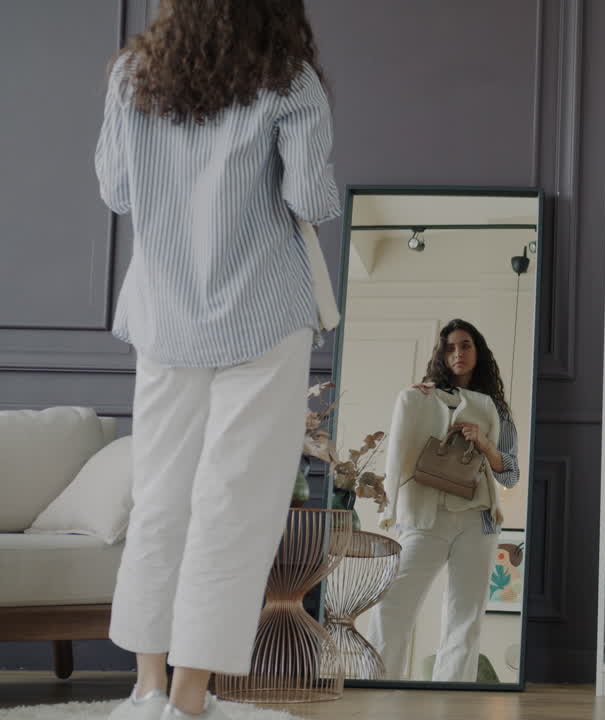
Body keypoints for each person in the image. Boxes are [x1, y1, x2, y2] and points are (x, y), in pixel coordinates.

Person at [94, 1, 339, 718]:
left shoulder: (132, 74)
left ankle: (145, 689)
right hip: (262, 317)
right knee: (233, 507)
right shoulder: (288, 79)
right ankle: (191, 695)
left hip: (165, 316)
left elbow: (114, 190)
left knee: (160, 499)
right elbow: (310, 196)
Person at [368, 319, 521, 682]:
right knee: (394, 605)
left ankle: (451, 700)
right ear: (441, 354)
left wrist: (484, 442)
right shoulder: (421, 397)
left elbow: (510, 475)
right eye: (450, 347)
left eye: (465, 345)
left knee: (465, 617)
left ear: (478, 352)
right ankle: (377, 686)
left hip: (476, 521)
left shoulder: (497, 412)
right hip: (425, 516)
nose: (458, 353)